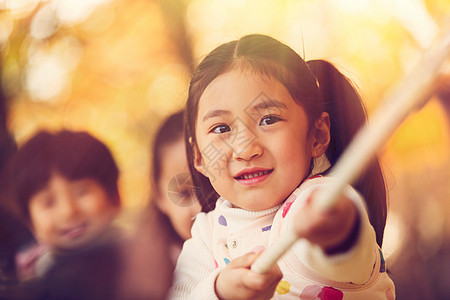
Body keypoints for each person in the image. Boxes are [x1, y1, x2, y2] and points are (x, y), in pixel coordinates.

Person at [169, 34, 395, 299]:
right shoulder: (206, 235)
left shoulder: (315, 200)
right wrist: (220, 291)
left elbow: (344, 248)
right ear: (199, 157)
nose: (245, 150)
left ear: (318, 135)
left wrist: (338, 228)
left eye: (268, 119)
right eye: (221, 128)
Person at [7, 129, 124, 299]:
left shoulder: (140, 262)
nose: (68, 211)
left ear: (115, 196)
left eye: (81, 192)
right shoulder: (34, 277)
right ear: (30, 222)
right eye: (48, 203)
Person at [117, 111, 201, 300]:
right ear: (159, 196)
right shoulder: (149, 269)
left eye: (211, 189)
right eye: (185, 194)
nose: (200, 207)